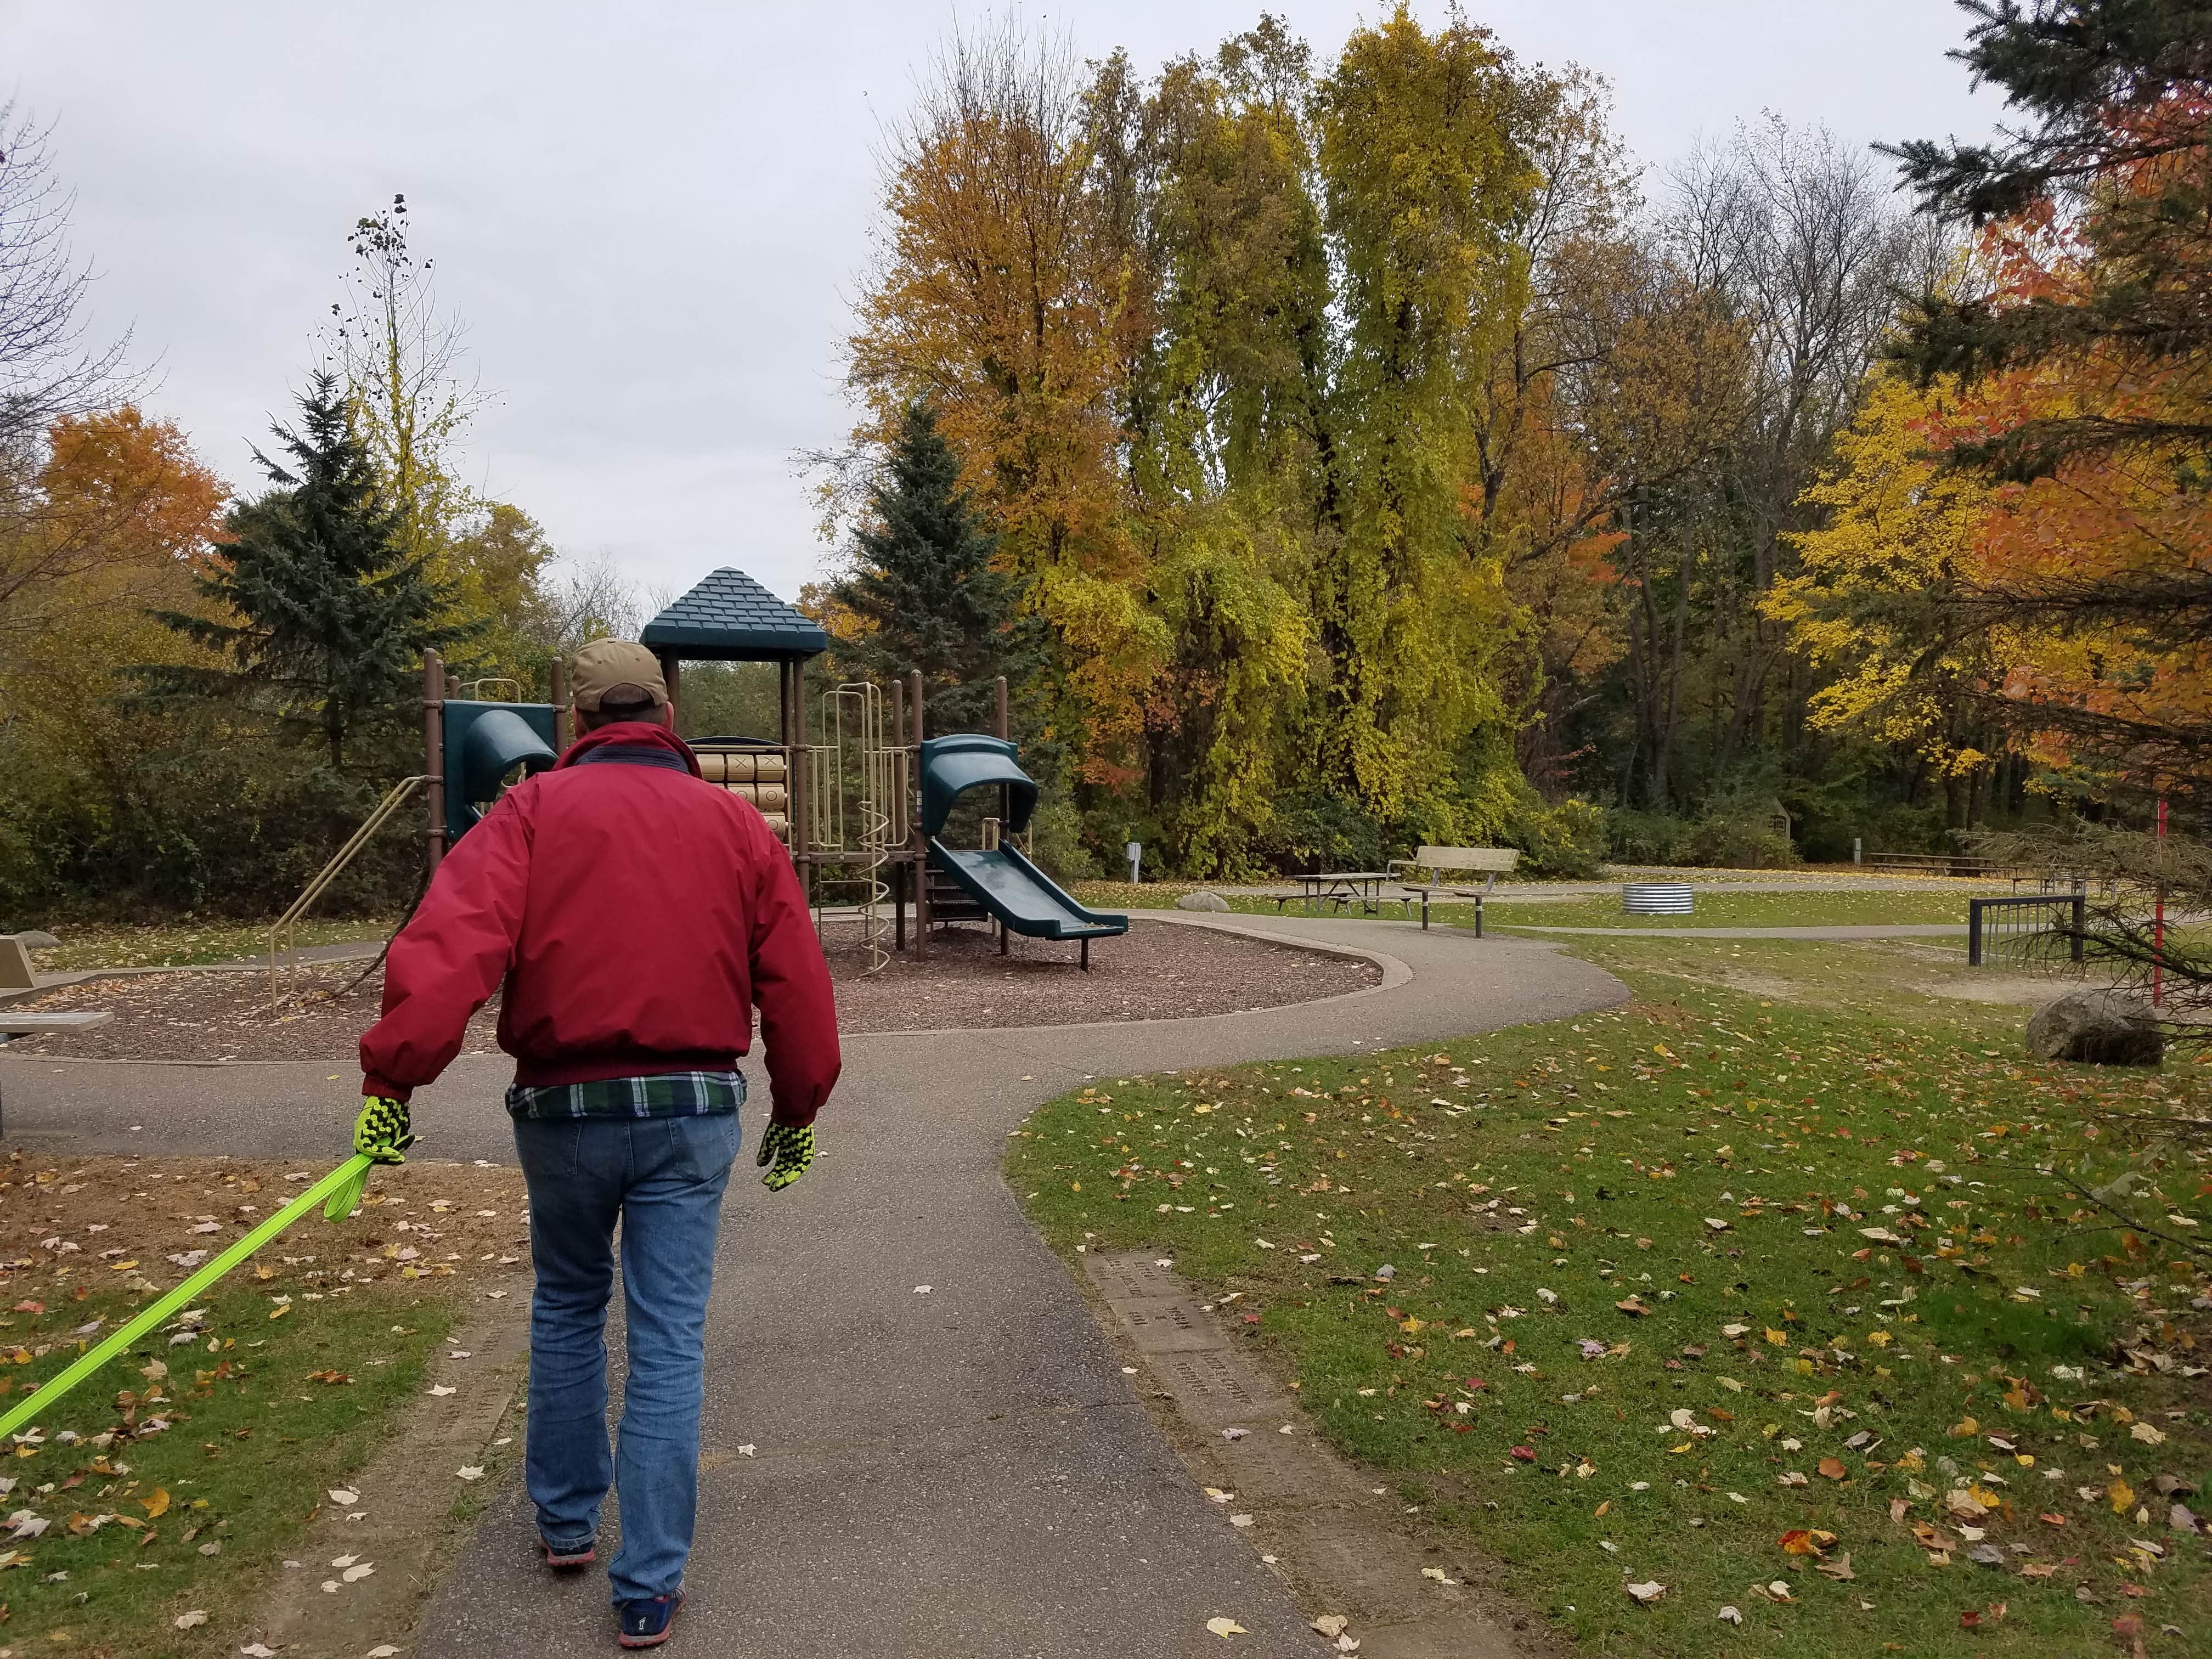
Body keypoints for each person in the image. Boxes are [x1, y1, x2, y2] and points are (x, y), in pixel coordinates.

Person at [354, 638, 839, 1649]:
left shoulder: (526, 815)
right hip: (693, 1109)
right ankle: (649, 1585)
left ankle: (567, 1521)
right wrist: (798, 1111)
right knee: (668, 1339)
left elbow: (451, 946)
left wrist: (394, 1077)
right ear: (667, 717)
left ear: (576, 723)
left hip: (564, 1112)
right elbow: (795, 981)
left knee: (569, 1307)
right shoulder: (737, 825)